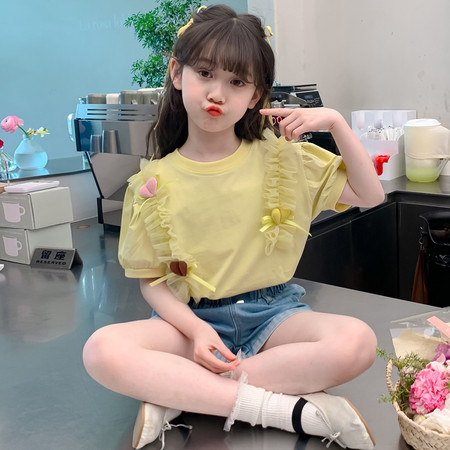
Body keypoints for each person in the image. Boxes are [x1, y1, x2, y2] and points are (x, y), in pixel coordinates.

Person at [83, 5, 385, 450]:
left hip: (274, 316)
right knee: (101, 350)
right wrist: (197, 331)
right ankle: (290, 411)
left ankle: (181, 393)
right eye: (205, 73)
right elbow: (152, 282)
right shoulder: (152, 182)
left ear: (256, 95)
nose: (217, 93)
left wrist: (337, 123)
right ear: (177, 73)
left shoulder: (283, 158)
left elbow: (370, 194)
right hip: (191, 322)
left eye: (237, 82)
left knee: (357, 341)